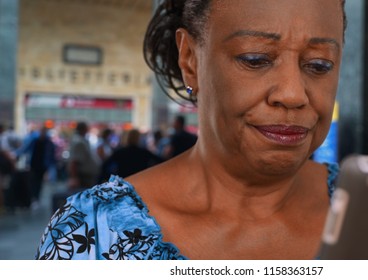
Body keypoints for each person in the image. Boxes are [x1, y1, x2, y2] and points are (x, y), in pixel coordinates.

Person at [36, 0, 346, 260]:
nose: (293, 94)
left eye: (319, 65)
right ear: (190, 61)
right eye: (255, 59)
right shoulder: (89, 235)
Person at [26, 126, 57, 208]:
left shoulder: (48, 143)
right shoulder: (35, 141)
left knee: (38, 182)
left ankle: (36, 198)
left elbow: (51, 154)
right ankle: (34, 198)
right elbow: (26, 149)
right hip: (34, 165)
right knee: (34, 182)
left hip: (42, 166)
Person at [67, 122, 99, 190]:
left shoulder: (80, 140)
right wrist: (74, 178)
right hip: (83, 177)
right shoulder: (79, 142)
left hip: (85, 176)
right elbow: (75, 162)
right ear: (84, 129)